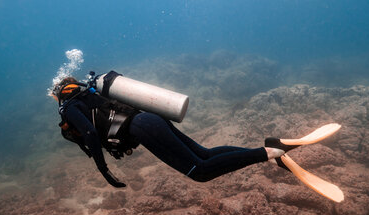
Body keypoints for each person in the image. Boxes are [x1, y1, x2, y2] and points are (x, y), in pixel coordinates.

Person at [51, 76, 289, 188]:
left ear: (60, 93)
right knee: (204, 155)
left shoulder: (69, 106)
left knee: (201, 172)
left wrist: (103, 169)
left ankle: (268, 152)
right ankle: (272, 149)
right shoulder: (91, 94)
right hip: (150, 119)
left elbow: (91, 134)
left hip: (142, 128)